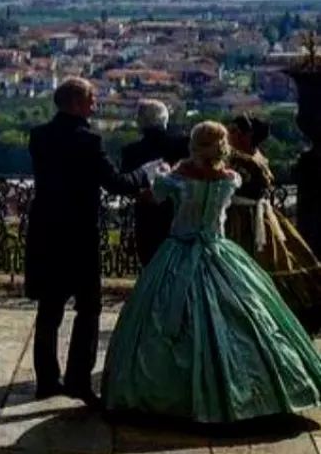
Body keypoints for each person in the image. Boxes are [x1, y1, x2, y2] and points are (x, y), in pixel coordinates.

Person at [102, 121, 321, 424]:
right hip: (219, 251)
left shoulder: (176, 178)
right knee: (248, 315)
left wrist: (150, 179)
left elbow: (153, 197)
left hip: (178, 249)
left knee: (162, 320)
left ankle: (169, 393)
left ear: (193, 144)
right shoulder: (229, 180)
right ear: (223, 147)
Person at [25, 77, 152, 407]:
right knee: (88, 308)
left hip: (46, 230)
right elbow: (115, 184)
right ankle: (79, 379)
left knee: (49, 309)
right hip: (79, 234)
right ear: (77, 103)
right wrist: (146, 173)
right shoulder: (88, 139)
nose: (96, 104)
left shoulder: (38, 137)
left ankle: (47, 380)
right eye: (92, 99)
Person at [225, 114, 321, 332]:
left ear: (246, 136)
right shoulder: (249, 156)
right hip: (252, 214)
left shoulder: (243, 160)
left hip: (245, 218)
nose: (230, 134)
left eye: (235, 131)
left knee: (263, 260)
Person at [121, 100, 190, 268]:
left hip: (146, 211)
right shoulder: (182, 145)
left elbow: (126, 184)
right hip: (178, 211)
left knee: (150, 261)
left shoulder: (131, 151)